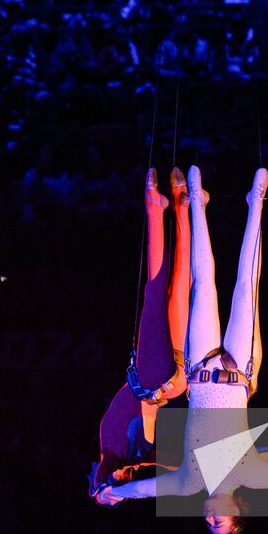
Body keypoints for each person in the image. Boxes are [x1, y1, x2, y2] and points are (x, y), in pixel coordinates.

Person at [99, 167, 268, 534]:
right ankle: (256, 202)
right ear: (239, 509)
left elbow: (146, 489)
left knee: (203, 284)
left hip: (199, 369)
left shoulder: (189, 483)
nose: (210, 519)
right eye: (221, 522)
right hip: (240, 370)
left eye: (209, 524)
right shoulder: (250, 475)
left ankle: (197, 204)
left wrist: (115, 492)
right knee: (247, 284)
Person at [90, 167, 191, 501]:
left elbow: (107, 478)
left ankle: (181, 206)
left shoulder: (128, 454)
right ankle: (158, 206)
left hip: (173, 384)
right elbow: (103, 477)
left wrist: (108, 488)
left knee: (181, 287)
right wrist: (106, 490)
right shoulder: (115, 450)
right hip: (154, 376)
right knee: (159, 287)